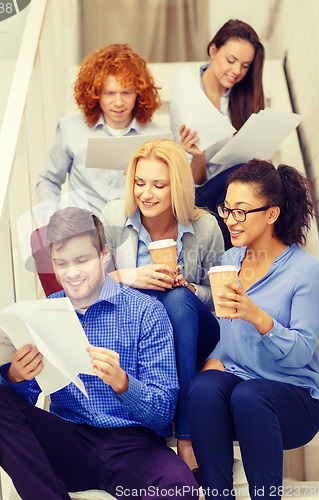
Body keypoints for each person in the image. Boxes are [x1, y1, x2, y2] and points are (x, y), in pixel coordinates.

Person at [0, 207, 199, 499]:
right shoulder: (43, 312)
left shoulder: (146, 312)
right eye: (61, 263)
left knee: (179, 488)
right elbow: (15, 415)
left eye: (82, 260)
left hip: (133, 447)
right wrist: (15, 377)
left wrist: (123, 383)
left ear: (103, 254)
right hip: (69, 440)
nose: (72, 272)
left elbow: (163, 414)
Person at [187, 160, 319, 500]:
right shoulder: (231, 261)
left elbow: (299, 355)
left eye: (241, 211)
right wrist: (212, 365)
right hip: (240, 391)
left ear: (272, 214)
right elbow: (228, 337)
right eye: (227, 209)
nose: (230, 220)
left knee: (250, 396)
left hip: (295, 400)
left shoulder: (309, 272)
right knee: (204, 388)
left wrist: (257, 316)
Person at [101, 139, 224, 473]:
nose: (146, 194)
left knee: (179, 299)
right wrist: (129, 276)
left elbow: (221, 298)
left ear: (179, 187)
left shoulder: (206, 227)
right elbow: (89, 287)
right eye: (140, 183)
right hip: (142, 335)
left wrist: (190, 288)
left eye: (158, 185)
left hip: (193, 330)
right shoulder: (114, 216)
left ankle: (185, 435)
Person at [36, 43, 164, 221]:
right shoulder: (70, 130)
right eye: (109, 93)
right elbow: (48, 181)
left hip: (137, 231)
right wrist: (54, 222)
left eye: (126, 93)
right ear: (95, 94)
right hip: (83, 231)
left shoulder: (157, 138)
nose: (118, 102)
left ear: (139, 93)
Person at [170, 19, 265, 246]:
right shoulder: (186, 98)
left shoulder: (245, 95)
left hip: (239, 197)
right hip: (202, 196)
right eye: (230, 60)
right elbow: (194, 182)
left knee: (245, 189)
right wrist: (198, 155)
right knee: (236, 185)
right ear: (213, 50)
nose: (236, 72)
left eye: (245, 65)